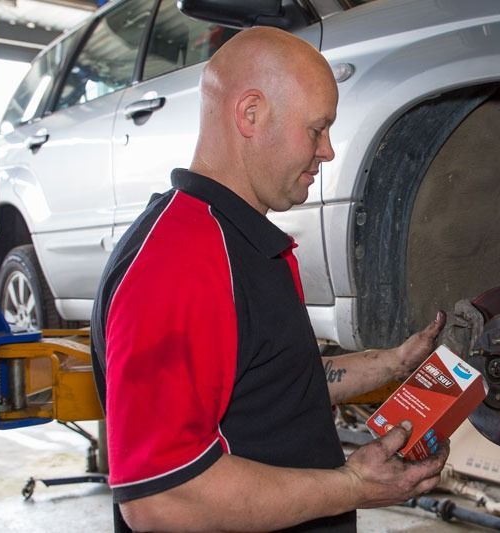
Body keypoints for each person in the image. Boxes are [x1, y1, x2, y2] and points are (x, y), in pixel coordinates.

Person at [90, 26, 449, 533]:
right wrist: (355, 485)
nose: (327, 151)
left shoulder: (239, 242)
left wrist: (393, 363)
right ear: (250, 114)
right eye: (317, 128)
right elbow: (163, 498)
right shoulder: (180, 259)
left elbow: (269, 387)